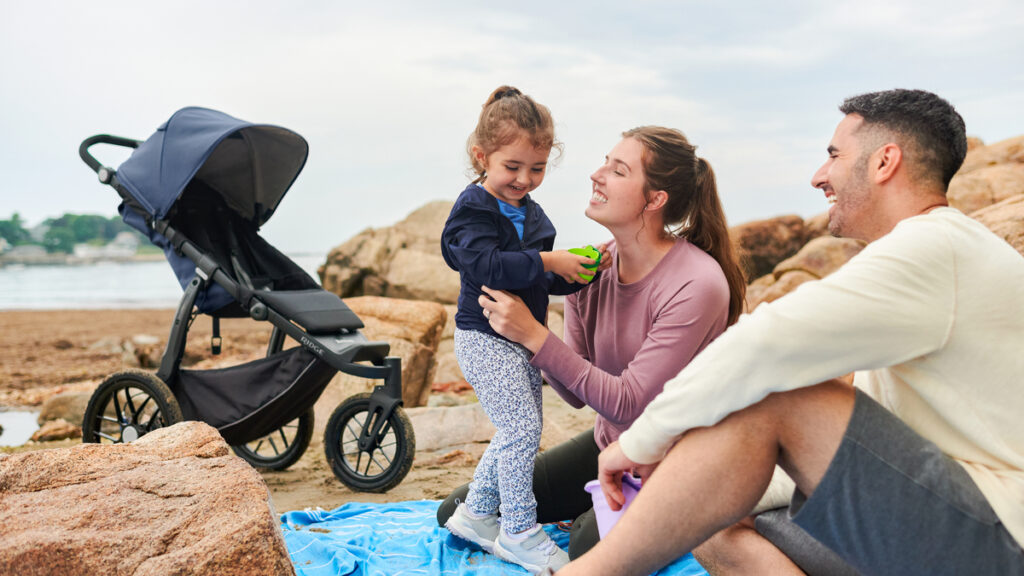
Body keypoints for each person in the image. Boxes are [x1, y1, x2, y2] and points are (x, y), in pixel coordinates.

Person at [557, 89, 1024, 576]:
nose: (819, 176)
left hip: (999, 540)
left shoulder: (934, 249)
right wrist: (698, 478)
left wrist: (641, 444)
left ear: (885, 162)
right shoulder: (934, 257)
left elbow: (764, 344)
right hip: (950, 512)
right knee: (715, 520)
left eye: (834, 156)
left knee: (781, 398)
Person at [438, 124, 747, 567]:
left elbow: (627, 403)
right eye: (605, 161)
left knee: (585, 547)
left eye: (617, 170)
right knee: (460, 509)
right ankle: (597, 506)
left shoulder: (695, 284)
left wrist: (534, 335)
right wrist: (545, 319)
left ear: (655, 199)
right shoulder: (593, 268)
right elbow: (575, 395)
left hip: (679, 460)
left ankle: (624, 515)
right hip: (613, 446)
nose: (596, 175)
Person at [440, 85, 610, 574]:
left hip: (519, 337)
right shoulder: (473, 209)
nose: (524, 178)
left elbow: (541, 278)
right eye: (512, 167)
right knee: (521, 430)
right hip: (483, 336)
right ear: (482, 156)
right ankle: (518, 528)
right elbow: (486, 264)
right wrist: (547, 259)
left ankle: (475, 513)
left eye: (536, 168)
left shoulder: (534, 216)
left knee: (516, 430)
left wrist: (580, 269)